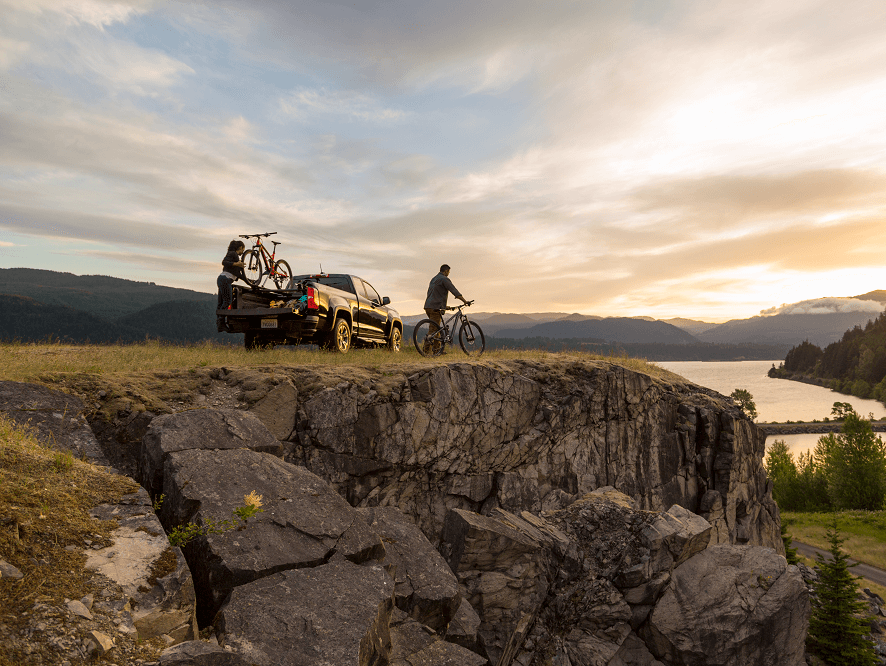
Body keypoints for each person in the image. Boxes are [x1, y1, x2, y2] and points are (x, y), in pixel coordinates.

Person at [422, 264, 468, 353]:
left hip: (428, 306)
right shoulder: (444, 279)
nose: (448, 274)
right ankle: (425, 351)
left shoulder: (434, 279)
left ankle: (437, 350)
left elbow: (433, 293)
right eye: (448, 272)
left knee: (436, 329)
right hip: (435, 307)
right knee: (433, 330)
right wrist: (464, 301)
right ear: (446, 271)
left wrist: (444, 306)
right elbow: (454, 290)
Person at [217, 240, 246, 332]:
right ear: (240, 247)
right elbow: (224, 262)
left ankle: (220, 323)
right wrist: (237, 264)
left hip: (222, 279)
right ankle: (220, 323)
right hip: (225, 279)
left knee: (221, 302)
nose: (243, 252)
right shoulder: (233, 253)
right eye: (243, 249)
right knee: (227, 300)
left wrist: (251, 282)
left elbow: (238, 274)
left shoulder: (235, 256)